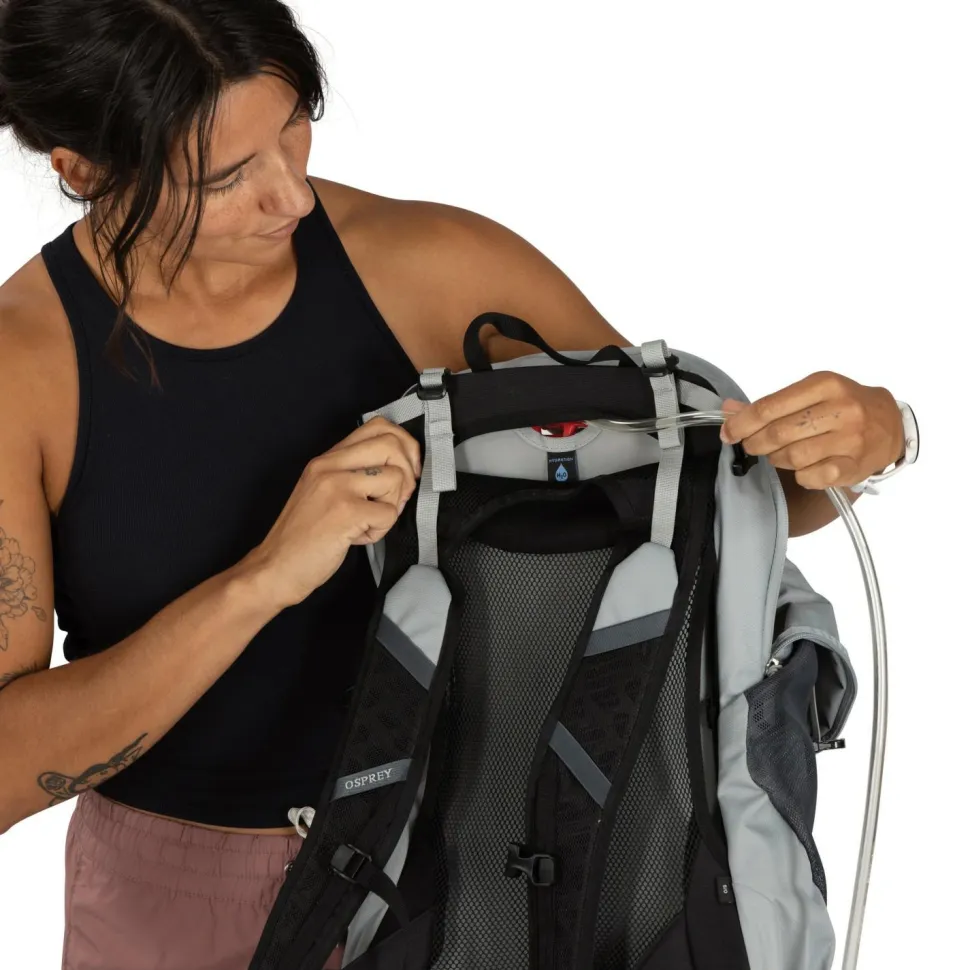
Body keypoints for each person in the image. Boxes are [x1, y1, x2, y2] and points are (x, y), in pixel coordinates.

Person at [0, 2, 909, 969]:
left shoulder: (433, 269)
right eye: (227, 177)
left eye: (295, 126)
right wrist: (263, 579)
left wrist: (868, 444)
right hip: (176, 900)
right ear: (83, 170)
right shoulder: (24, 370)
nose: (291, 196)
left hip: (468, 884)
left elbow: (700, 507)